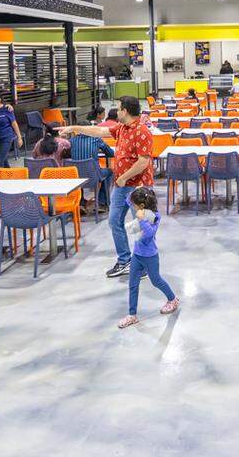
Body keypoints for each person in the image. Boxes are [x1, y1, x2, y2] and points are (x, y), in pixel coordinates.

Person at [74, 96, 154, 278]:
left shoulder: (142, 131)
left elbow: (143, 162)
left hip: (139, 188)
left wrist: (124, 177)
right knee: (114, 221)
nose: (116, 112)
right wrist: (75, 128)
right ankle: (125, 261)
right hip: (121, 185)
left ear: (125, 111)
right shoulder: (122, 128)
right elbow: (98, 132)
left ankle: (142, 265)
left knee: (141, 226)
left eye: (118, 108)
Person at [117, 187, 180, 328]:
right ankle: (132, 315)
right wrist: (137, 190)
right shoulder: (140, 208)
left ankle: (173, 299)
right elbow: (129, 199)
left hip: (150, 256)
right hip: (137, 255)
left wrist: (142, 220)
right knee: (132, 285)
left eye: (134, 205)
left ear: (142, 206)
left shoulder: (155, 216)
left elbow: (149, 234)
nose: (132, 206)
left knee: (156, 281)